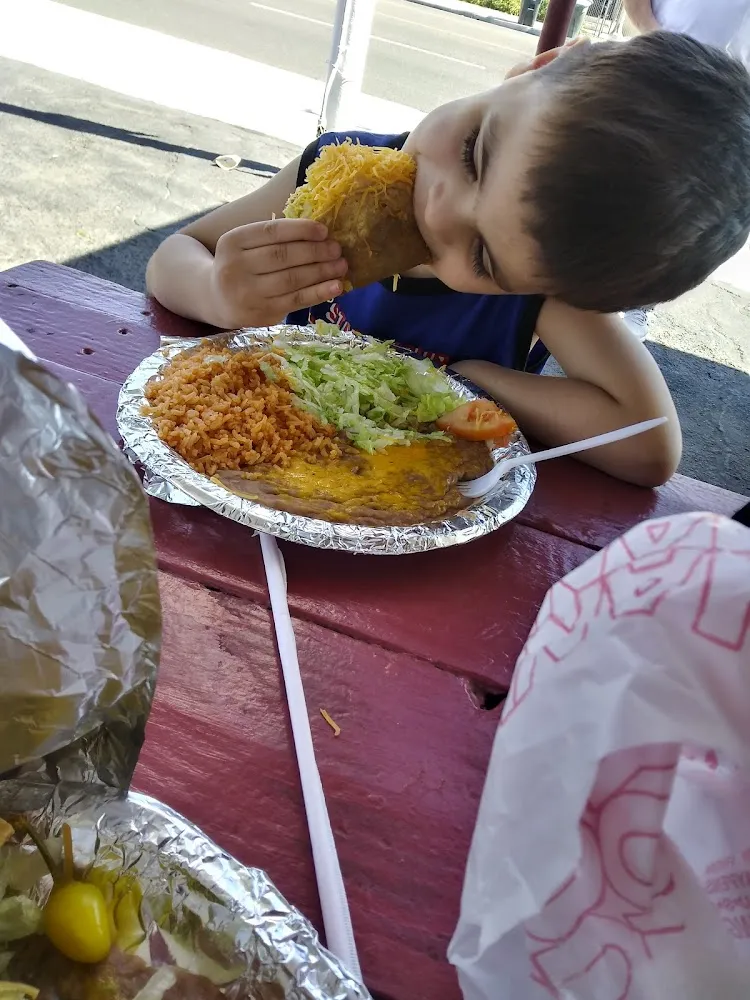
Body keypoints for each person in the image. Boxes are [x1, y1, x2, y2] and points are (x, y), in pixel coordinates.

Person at [146, 33, 750, 489]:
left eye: (483, 255)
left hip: (394, 499)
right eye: (473, 152)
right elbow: (175, 256)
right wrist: (217, 295)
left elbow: (647, 444)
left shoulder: (535, 295)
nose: (438, 210)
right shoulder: (323, 172)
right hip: (255, 460)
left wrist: (474, 378)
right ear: (536, 68)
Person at [621, 0, 750, 339]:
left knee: (686, 211)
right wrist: (660, 41)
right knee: (623, 183)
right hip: (656, 73)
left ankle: (635, 303)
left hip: (723, 105)